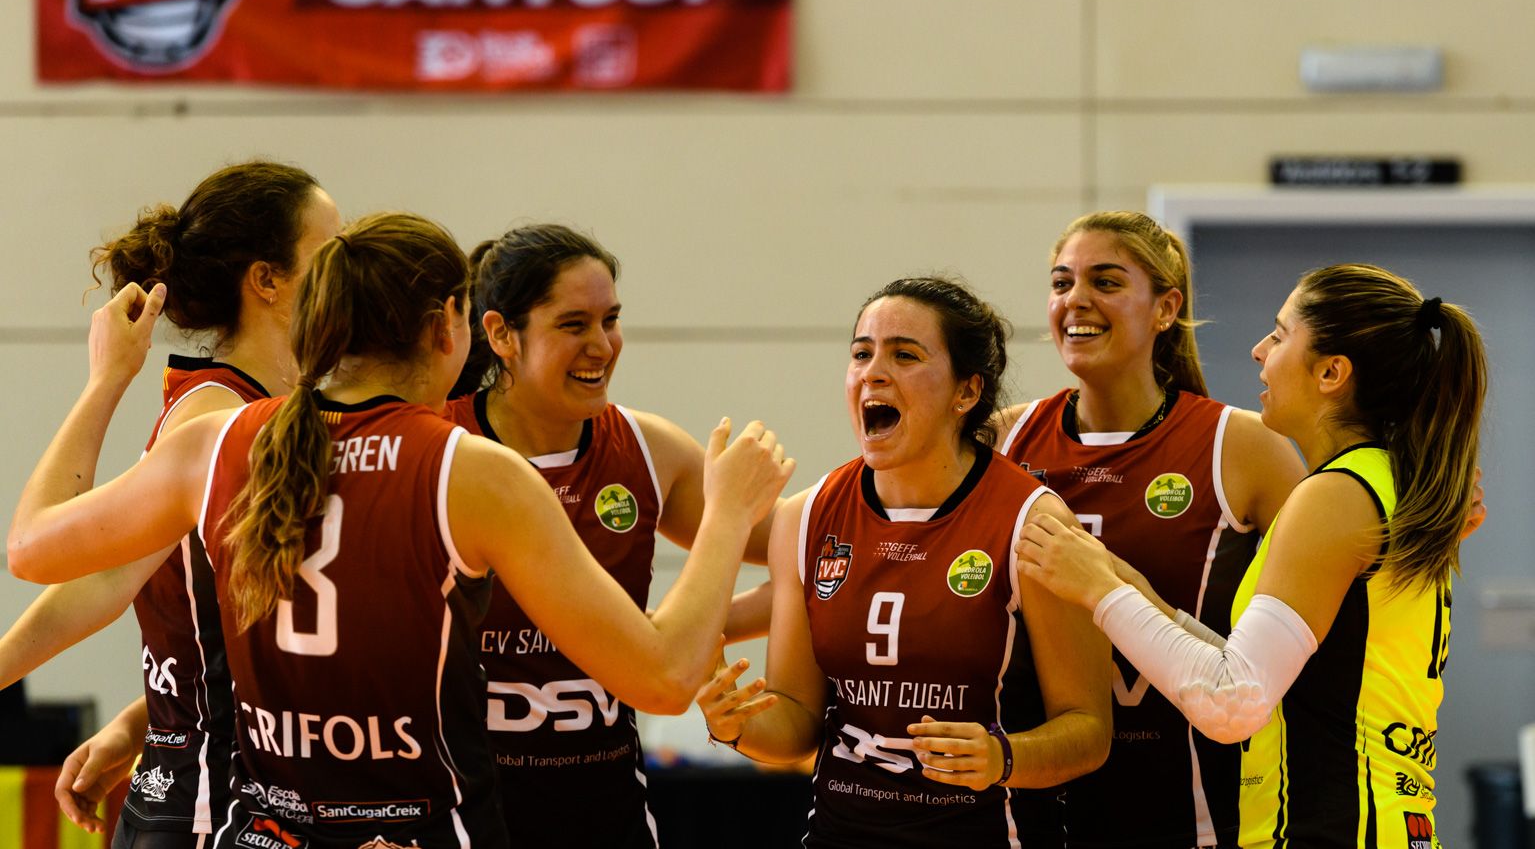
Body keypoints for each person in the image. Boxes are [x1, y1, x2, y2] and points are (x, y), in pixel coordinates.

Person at [8, 212, 794, 849]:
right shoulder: (469, 469)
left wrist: (108, 378)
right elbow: (659, 677)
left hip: (270, 830)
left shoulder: (221, 442)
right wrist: (726, 512)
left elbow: (32, 546)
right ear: (451, 326)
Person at [1018, 262, 1485, 849]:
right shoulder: (1385, 483)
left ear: (1332, 373)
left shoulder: (1335, 495)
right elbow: (1278, 687)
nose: (1260, 350)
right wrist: (1124, 581)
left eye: (1281, 334)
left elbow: (1231, 704)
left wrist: (1100, 593)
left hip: (1331, 829)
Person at [698, 276, 1112, 848]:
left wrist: (1003, 756)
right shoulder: (806, 517)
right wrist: (736, 725)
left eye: (904, 355)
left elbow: (1089, 731)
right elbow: (795, 723)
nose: (873, 371)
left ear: (966, 394)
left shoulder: (1030, 522)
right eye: (861, 354)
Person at [0, 161, 341, 846]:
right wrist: (106, 381)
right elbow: (97, 574)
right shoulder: (215, 412)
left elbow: (236, 637)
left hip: (229, 785)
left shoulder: (285, 410)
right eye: (330, 252)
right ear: (267, 280)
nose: (349, 270)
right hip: (212, 810)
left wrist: (139, 718)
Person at [444, 223, 774, 848]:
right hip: (462, 816)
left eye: (611, 319)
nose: (603, 345)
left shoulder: (647, 449)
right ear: (500, 335)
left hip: (602, 814)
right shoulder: (441, 450)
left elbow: (826, 551)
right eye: (574, 325)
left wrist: (696, 626)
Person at [994, 211, 1304, 849]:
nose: (1075, 300)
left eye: (1105, 282)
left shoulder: (1241, 444)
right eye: (1061, 283)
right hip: (1032, 806)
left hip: (1195, 811)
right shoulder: (1002, 439)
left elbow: (1332, 605)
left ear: (1166, 308)